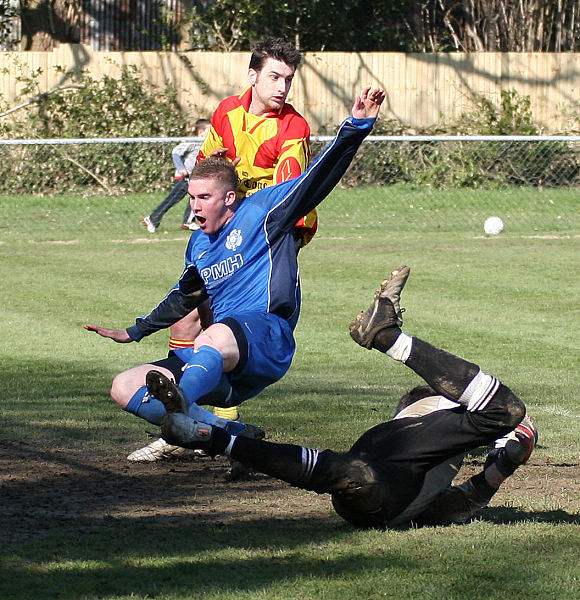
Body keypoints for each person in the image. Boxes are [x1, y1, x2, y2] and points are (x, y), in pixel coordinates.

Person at [84, 87, 387, 461]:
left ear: (229, 198)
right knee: (125, 386)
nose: (194, 208)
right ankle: (232, 433)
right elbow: (186, 296)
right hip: (223, 364)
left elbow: (318, 177)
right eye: (191, 198)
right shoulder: (198, 245)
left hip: (266, 340)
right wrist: (135, 331)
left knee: (211, 336)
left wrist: (356, 126)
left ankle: (181, 407)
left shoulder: (264, 213)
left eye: (203, 199)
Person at [157, 266, 538, 528]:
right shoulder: (441, 439)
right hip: (388, 469)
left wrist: (504, 462)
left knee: (357, 474)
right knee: (504, 412)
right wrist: (503, 464)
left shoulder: (440, 450)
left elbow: (458, 503)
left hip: (382, 484)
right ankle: (386, 337)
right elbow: (464, 498)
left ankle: (206, 436)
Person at [129, 38, 317, 463]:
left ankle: (211, 431)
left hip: (266, 235)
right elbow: (210, 168)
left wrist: (241, 225)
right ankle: (198, 424)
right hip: (224, 226)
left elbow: (285, 192)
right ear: (252, 76)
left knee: (223, 325)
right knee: (190, 318)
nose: (283, 87)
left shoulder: (293, 128)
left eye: (289, 79)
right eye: (274, 76)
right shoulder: (227, 113)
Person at [141, 118, 211, 234]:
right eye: (210, 129)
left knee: (198, 196)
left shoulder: (208, 143)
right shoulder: (193, 141)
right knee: (173, 199)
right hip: (184, 178)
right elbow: (176, 152)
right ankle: (152, 219)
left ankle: (188, 221)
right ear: (201, 132)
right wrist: (181, 168)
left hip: (194, 177)